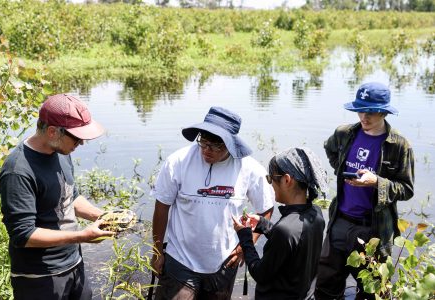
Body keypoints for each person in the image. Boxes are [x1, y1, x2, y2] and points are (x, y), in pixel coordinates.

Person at [0, 94, 115, 300]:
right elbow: (23, 235)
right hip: (38, 278)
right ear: (53, 132)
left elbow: (70, 197)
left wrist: (104, 216)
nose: (81, 143)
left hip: (74, 265)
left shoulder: (61, 152)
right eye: (77, 137)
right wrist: (82, 236)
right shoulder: (18, 171)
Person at [150, 106, 275, 299]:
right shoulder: (178, 161)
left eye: (216, 145)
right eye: (203, 142)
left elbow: (265, 208)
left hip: (225, 262)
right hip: (180, 259)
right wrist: (157, 250)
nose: (206, 150)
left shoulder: (249, 168)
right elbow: (162, 206)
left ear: (230, 144)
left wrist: (246, 244)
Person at [315, 82, 415, 300]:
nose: (364, 117)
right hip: (339, 222)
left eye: (371, 112)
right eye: (360, 110)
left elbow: (407, 189)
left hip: (373, 230)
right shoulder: (344, 134)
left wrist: (376, 182)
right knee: (325, 287)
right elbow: (330, 148)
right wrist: (342, 169)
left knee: (372, 292)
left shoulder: (399, 145)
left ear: (384, 112)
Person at [232, 147, 327, 299]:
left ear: (287, 180)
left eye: (271, 179)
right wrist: (263, 224)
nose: (270, 184)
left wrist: (245, 238)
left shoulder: (286, 229)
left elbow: (260, 273)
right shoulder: (315, 213)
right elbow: (294, 243)